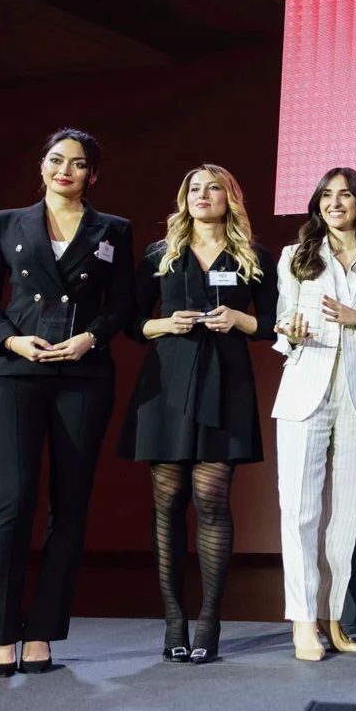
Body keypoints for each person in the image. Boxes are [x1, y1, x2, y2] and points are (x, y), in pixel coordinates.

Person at [0, 128, 135, 676]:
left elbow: (122, 305)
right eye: (57, 160)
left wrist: (92, 338)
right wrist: (13, 341)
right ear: (42, 166)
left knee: (70, 506)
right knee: (14, 501)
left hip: (82, 375)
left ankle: (41, 631)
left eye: (78, 163)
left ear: (93, 174)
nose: (66, 170)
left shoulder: (113, 230)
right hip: (13, 373)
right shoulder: (6, 222)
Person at [120, 163, 277, 666]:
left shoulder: (253, 257)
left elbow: (272, 323)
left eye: (213, 188)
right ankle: (174, 619)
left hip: (225, 382)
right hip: (167, 382)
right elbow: (130, 323)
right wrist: (164, 324)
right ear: (183, 197)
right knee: (168, 501)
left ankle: (209, 620)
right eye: (194, 188)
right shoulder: (159, 254)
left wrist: (240, 319)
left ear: (230, 198)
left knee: (211, 498)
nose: (202, 195)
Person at [272, 167, 356, 663]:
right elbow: (283, 319)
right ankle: (303, 619)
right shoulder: (295, 255)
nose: (335, 203)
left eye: (345, 195)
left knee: (347, 513)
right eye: (327, 195)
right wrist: (290, 331)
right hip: (305, 386)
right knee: (300, 510)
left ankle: (332, 615)